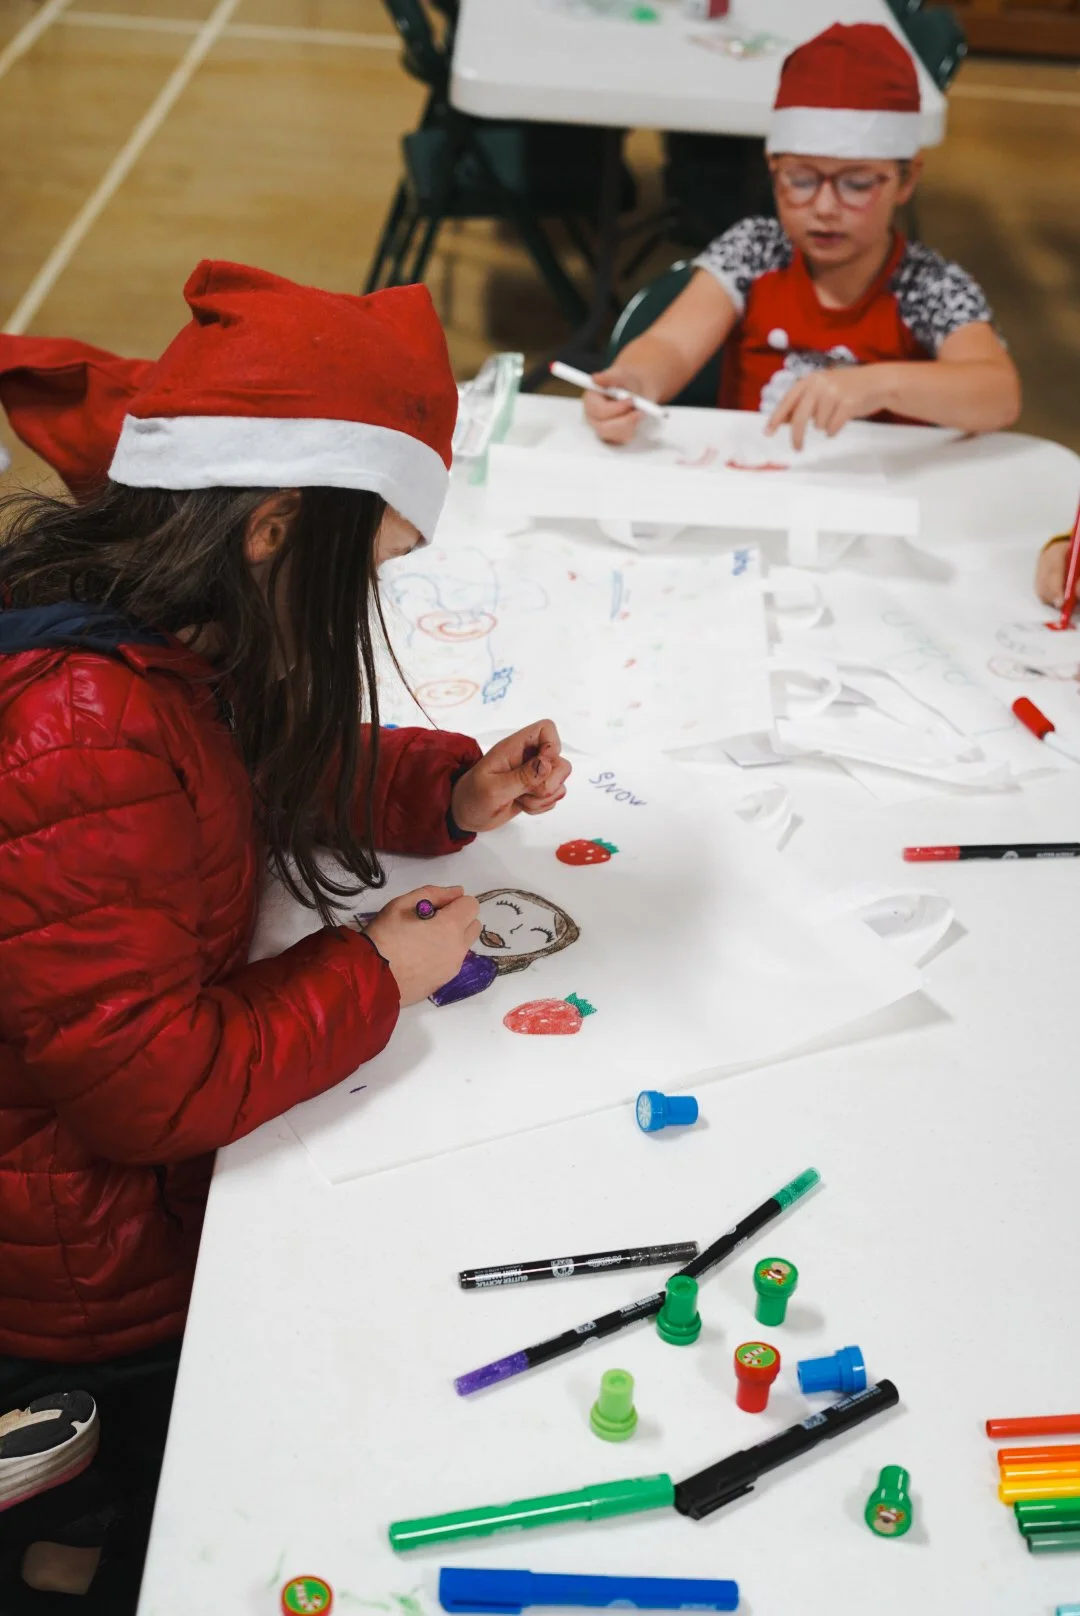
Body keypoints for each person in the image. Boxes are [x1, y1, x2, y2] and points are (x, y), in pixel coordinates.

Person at [0, 261, 571, 1608]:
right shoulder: (81, 731)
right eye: (365, 570)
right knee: (170, 1523)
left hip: (109, 1215)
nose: (364, 611)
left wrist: (441, 786)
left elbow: (238, 757)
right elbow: (152, 1088)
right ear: (273, 533)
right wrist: (372, 969)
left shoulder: (163, 628)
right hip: (84, 1283)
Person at [585, 22, 1020, 450]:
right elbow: (671, 346)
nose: (826, 208)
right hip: (754, 485)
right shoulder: (755, 251)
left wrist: (880, 383)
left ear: (906, 180)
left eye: (857, 184)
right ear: (773, 168)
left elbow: (998, 395)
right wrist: (633, 381)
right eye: (802, 179)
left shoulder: (926, 284)